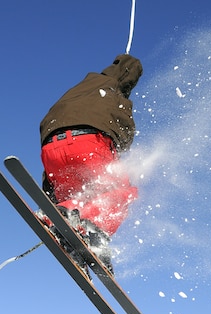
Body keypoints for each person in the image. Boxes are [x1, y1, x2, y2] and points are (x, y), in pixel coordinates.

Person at [38, 54, 143, 274]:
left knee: (77, 196)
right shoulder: (115, 93)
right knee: (121, 191)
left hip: (51, 149)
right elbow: (125, 132)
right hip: (90, 144)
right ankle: (94, 233)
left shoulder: (82, 86)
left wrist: (49, 197)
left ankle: (65, 219)